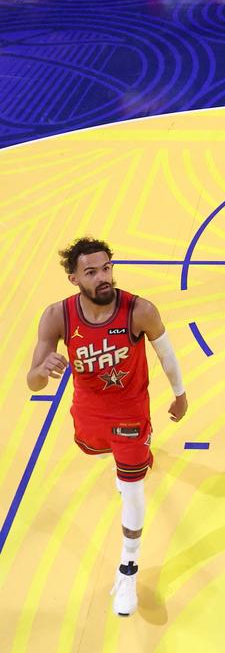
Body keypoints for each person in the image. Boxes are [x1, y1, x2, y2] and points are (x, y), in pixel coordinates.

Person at [25, 237, 188, 617]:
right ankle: (133, 460)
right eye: (92, 272)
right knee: (112, 461)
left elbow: (167, 355)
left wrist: (180, 395)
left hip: (130, 412)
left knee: (132, 488)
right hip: (89, 413)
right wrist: (40, 371)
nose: (103, 278)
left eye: (107, 268)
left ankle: (127, 569)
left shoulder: (140, 310)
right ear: (73, 278)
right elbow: (31, 382)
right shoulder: (56, 316)